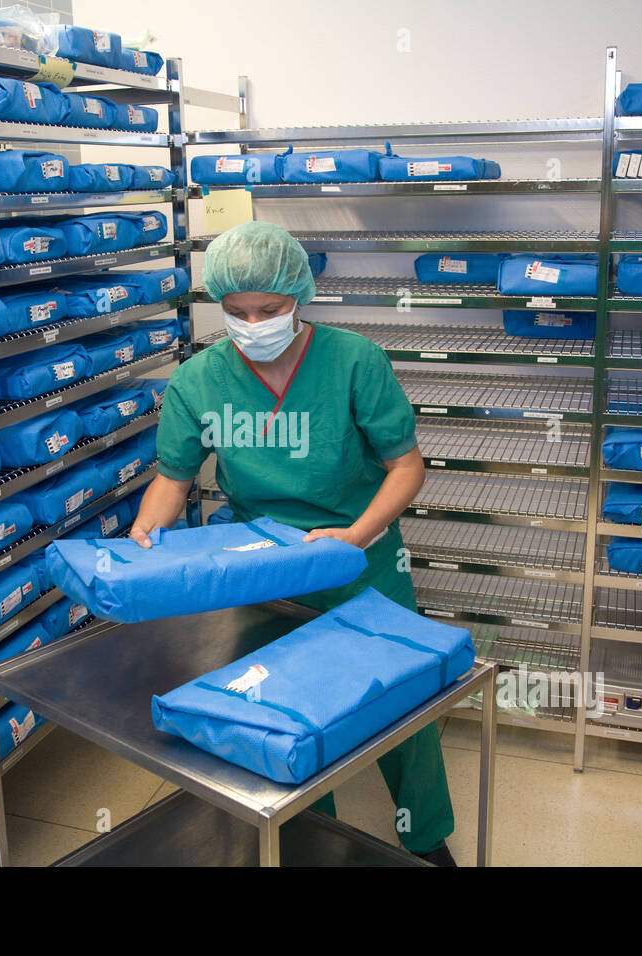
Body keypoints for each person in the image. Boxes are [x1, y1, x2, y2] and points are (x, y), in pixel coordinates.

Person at [128, 220, 457, 866]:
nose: (254, 324)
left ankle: (425, 837)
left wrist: (355, 536)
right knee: (285, 709)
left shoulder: (353, 360)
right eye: (237, 312)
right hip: (267, 568)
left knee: (401, 701)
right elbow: (171, 480)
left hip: (361, 558)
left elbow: (406, 466)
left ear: (298, 297)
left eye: (271, 310)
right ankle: (315, 839)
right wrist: (145, 540)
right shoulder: (199, 381)